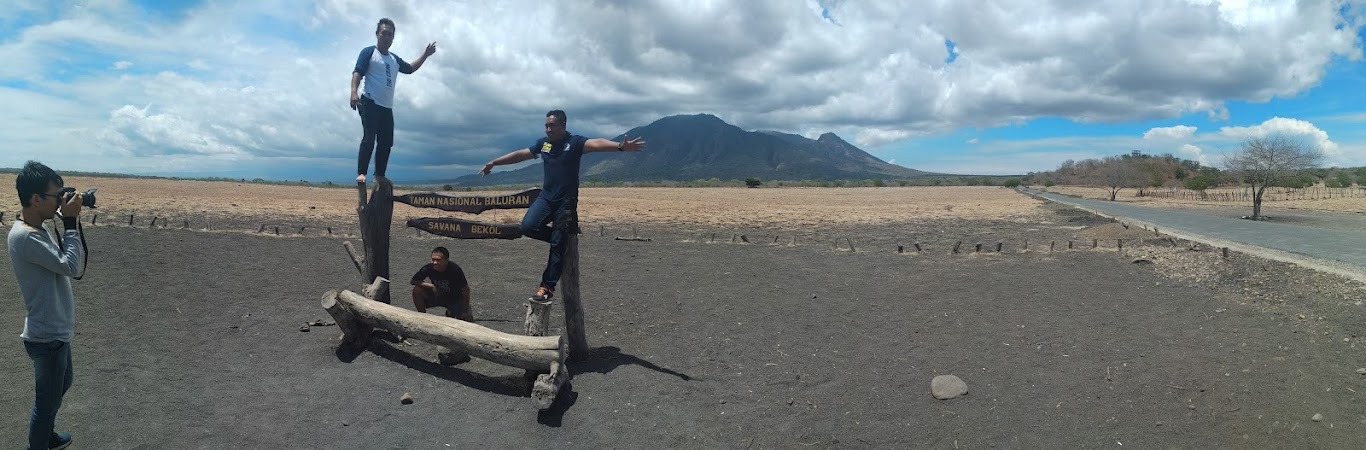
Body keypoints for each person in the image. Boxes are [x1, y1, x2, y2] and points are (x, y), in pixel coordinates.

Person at [479, 110, 646, 302]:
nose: (548, 129)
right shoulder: (544, 144)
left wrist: (620, 146)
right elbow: (521, 155)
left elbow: (596, 143)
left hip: (565, 201)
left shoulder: (574, 142)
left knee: (557, 246)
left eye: (552, 125)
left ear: (563, 125)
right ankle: (561, 240)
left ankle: (546, 287)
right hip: (546, 197)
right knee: (528, 227)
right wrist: (494, 162)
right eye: (546, 126)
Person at [9, 161, 85, 450]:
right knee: (46, 401)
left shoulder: (36, 228)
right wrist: (70, 223)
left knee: (62, 383)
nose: (60, 201)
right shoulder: (26, 236)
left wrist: (64, 216)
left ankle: (47, 436)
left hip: (54, 329)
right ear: (36, 199)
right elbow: (71, 266)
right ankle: (39, 444)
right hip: (46, 334)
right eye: (56, 196)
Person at [350, 17, 437, 184]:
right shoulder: (369, 52)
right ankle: (362, 173)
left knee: (386, 142)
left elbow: (410, 69)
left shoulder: (394, 59)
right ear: (377, 34)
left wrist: (425, 55)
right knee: (369, 138)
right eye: (384, 33)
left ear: (393, 38)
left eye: (390, 34)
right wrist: (354, 92)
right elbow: (357, 72)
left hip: (386, 107)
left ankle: (379, 175)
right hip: (369, 101)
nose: (386, 37)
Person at [410, 247, 472, 321]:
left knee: (467, 319)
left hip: (454, 298)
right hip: (438, 295)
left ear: (446, 260)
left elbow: (465, 289)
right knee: (417, 290)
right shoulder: (428, 268)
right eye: (433, 259)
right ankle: (423, 317)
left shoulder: (455, 270)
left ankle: (451, 311)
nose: (435, 262)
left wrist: (465, 310)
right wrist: (431, 286)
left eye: (438, 260)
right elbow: (414, 281)